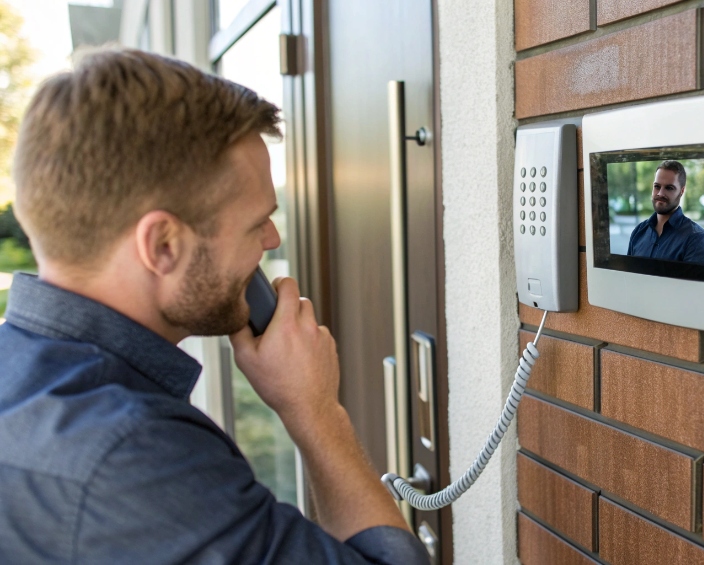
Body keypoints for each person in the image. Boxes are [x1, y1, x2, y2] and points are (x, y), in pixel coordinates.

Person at [0, 48, 428, 564]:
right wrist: (315, 412)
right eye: (256, 223)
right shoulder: (135, 458)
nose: (272, 240)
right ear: (163, 245)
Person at [626, 160, 704, 266]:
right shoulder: (639, 231)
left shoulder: (698, 240)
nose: (660, 193)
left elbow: (698, 283)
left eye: (669, 188)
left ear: (681, 191)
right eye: (657, 186)